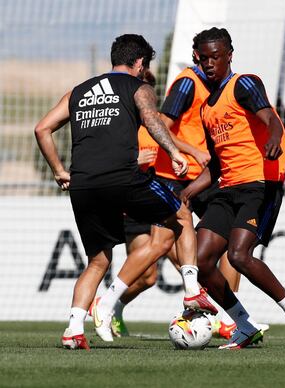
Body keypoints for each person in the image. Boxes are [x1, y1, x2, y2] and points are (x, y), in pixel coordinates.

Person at [34, 34, 216, 350]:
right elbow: (151, 119)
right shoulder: (138, 87)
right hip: (123, 179)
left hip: (83, 185)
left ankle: (74, 329)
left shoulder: (78, 92)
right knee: (181, 212)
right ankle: (188, 289)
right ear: (140, 63)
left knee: (97, 261)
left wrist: (59, 171)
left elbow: (42, 129)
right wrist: (174, 152)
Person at [109, 54, 267, 340]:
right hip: (163, 182)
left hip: (196, 177)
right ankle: (110, 305)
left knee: (226, 244)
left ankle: (230, 317)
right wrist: (185, 153)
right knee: (154, 268)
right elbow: (159, 130)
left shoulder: (221, 92)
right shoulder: (184, 87)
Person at [181, 27, 285, 349]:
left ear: (229, 55)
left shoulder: (244, 84)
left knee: (239, 255)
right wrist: (188, 192)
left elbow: (269, 116)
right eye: (204, 58)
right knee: (200, 262)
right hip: (227, 188)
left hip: (259, 184)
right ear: (196, 59)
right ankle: (244, 325)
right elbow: (216, 162)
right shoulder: (206, 108)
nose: (210, 63)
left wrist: (273, 137)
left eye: (216, 56)